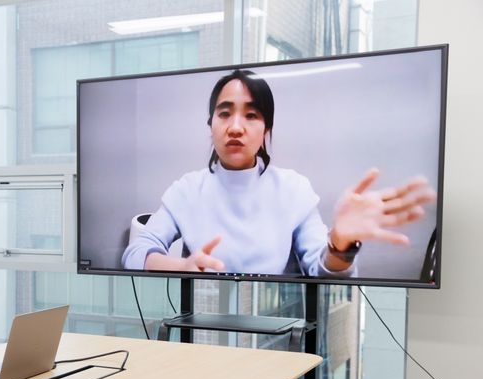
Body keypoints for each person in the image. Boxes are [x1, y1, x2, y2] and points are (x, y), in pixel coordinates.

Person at [122, 70, 435, 276]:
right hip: (196, 330)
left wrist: (340, 244)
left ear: (266, 130)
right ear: (211, 124)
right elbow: (135, 253)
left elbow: (321, 268)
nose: (235, 127)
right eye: (225, 113)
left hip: (279, 336)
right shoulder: (187, 189)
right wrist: (183, 266)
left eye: (252, 115)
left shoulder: (293, 189)